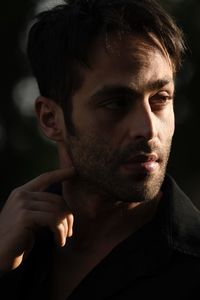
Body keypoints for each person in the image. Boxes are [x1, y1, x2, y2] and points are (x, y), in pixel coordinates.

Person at [0, 0, 200, 299]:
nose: (148, 129)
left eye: (160, 99)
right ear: (50, 119)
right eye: (117, 103)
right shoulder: (14, 243)